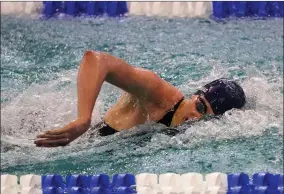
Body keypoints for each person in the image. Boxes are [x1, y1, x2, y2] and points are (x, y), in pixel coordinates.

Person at [34, 51, 246, 147]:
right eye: (200, 106)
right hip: (55, 136)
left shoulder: (190, 134)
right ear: (195, 95)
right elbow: (97, 60)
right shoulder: (158, 93)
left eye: (206, 118)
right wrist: (83, 119)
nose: (195, 117)